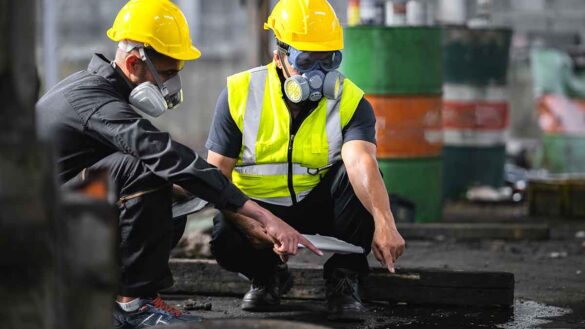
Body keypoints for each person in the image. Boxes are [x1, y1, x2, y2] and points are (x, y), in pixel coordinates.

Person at [35, 0, 320, 327]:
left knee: (179, 189)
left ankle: (119, 295)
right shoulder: (92, 100)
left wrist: (226, 204)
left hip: (61, 215)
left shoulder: (101, 93)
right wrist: (257, 212)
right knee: (150, 169)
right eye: (167, 73)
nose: (171, 86)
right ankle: (133, 304)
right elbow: (160, 152)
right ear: (132, 62)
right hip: (40, 232)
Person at [206, 0, 406, 321]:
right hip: (260, 210)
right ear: (279, 57)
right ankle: (267, 277)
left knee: (362, 183)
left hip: (319, 208)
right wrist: (250, 221)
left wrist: (385, 224)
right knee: (224, 234)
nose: (318, 73)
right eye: (306, 60)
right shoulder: (240, 92)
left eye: (328, 60)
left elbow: (361, 163)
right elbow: (215, 177)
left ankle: (344, 279)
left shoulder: (350, 100)